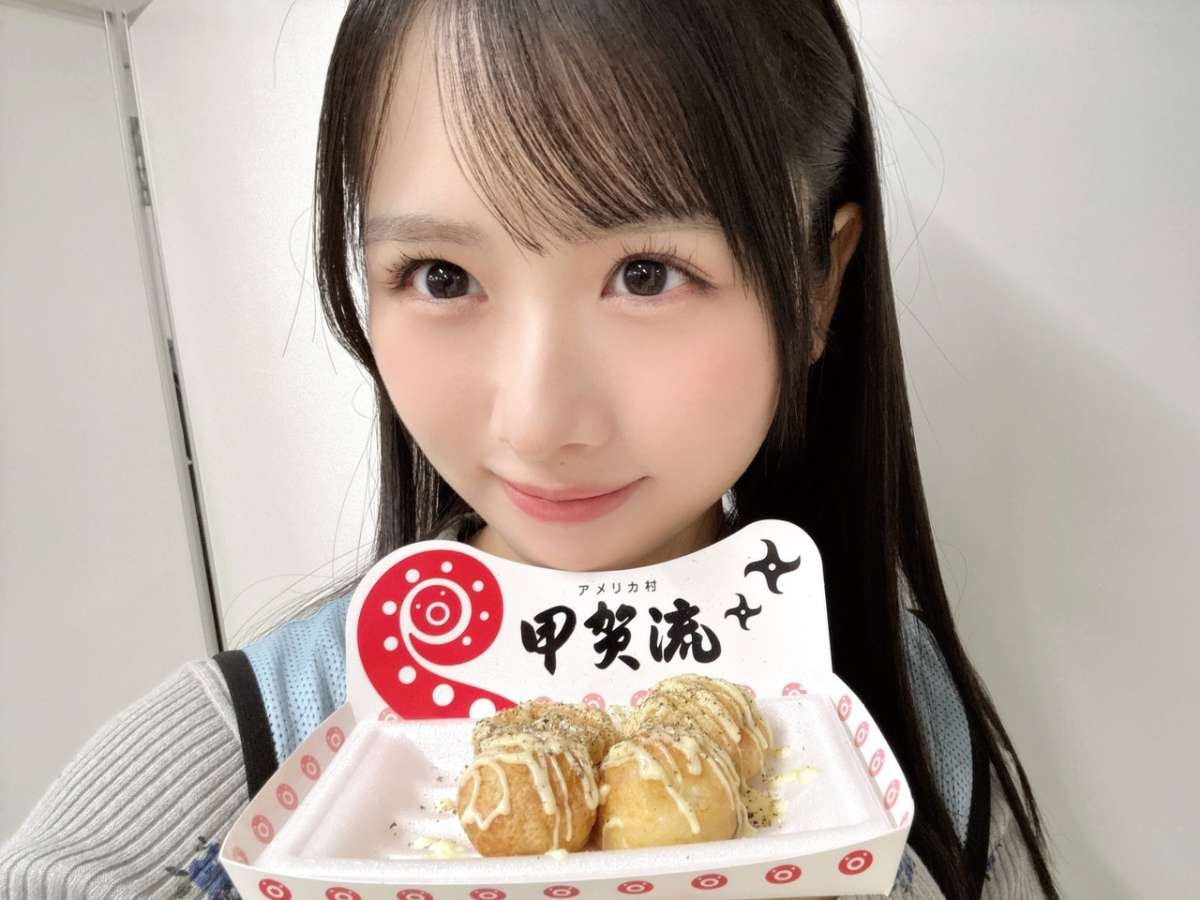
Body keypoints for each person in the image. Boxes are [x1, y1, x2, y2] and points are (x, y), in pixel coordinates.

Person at [0, 1, 1061, 898]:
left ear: (818, 284)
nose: (538, 422)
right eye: (443, 277)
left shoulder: (909, 717)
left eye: (647, 273)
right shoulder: (240, 749)